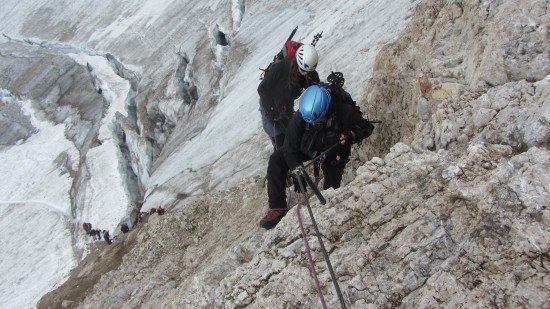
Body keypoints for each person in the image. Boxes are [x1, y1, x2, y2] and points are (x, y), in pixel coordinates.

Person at [259, 85, 375, 229]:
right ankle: (277, 207)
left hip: (333, 151)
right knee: (276, 159)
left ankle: (328, 215)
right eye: (310, 122)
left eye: (317, 121)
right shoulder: (301, 115)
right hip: (308, 145)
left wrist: (351, 136)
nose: (313, 123)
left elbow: (366, 127)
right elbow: (290, 148)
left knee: (330, 192)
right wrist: (297, 171)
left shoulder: (342, 111)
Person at [258, 44, 320, 151]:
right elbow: (262, 89)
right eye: (304, 70)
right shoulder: (281, 68)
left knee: (292, 137)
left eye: (309, 71)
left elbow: (315, 90)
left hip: (286, 106)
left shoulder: (309, 74)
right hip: (269, 107)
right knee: (280, 143)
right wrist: (272, 112)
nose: (306, 73)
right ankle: (281, 164)